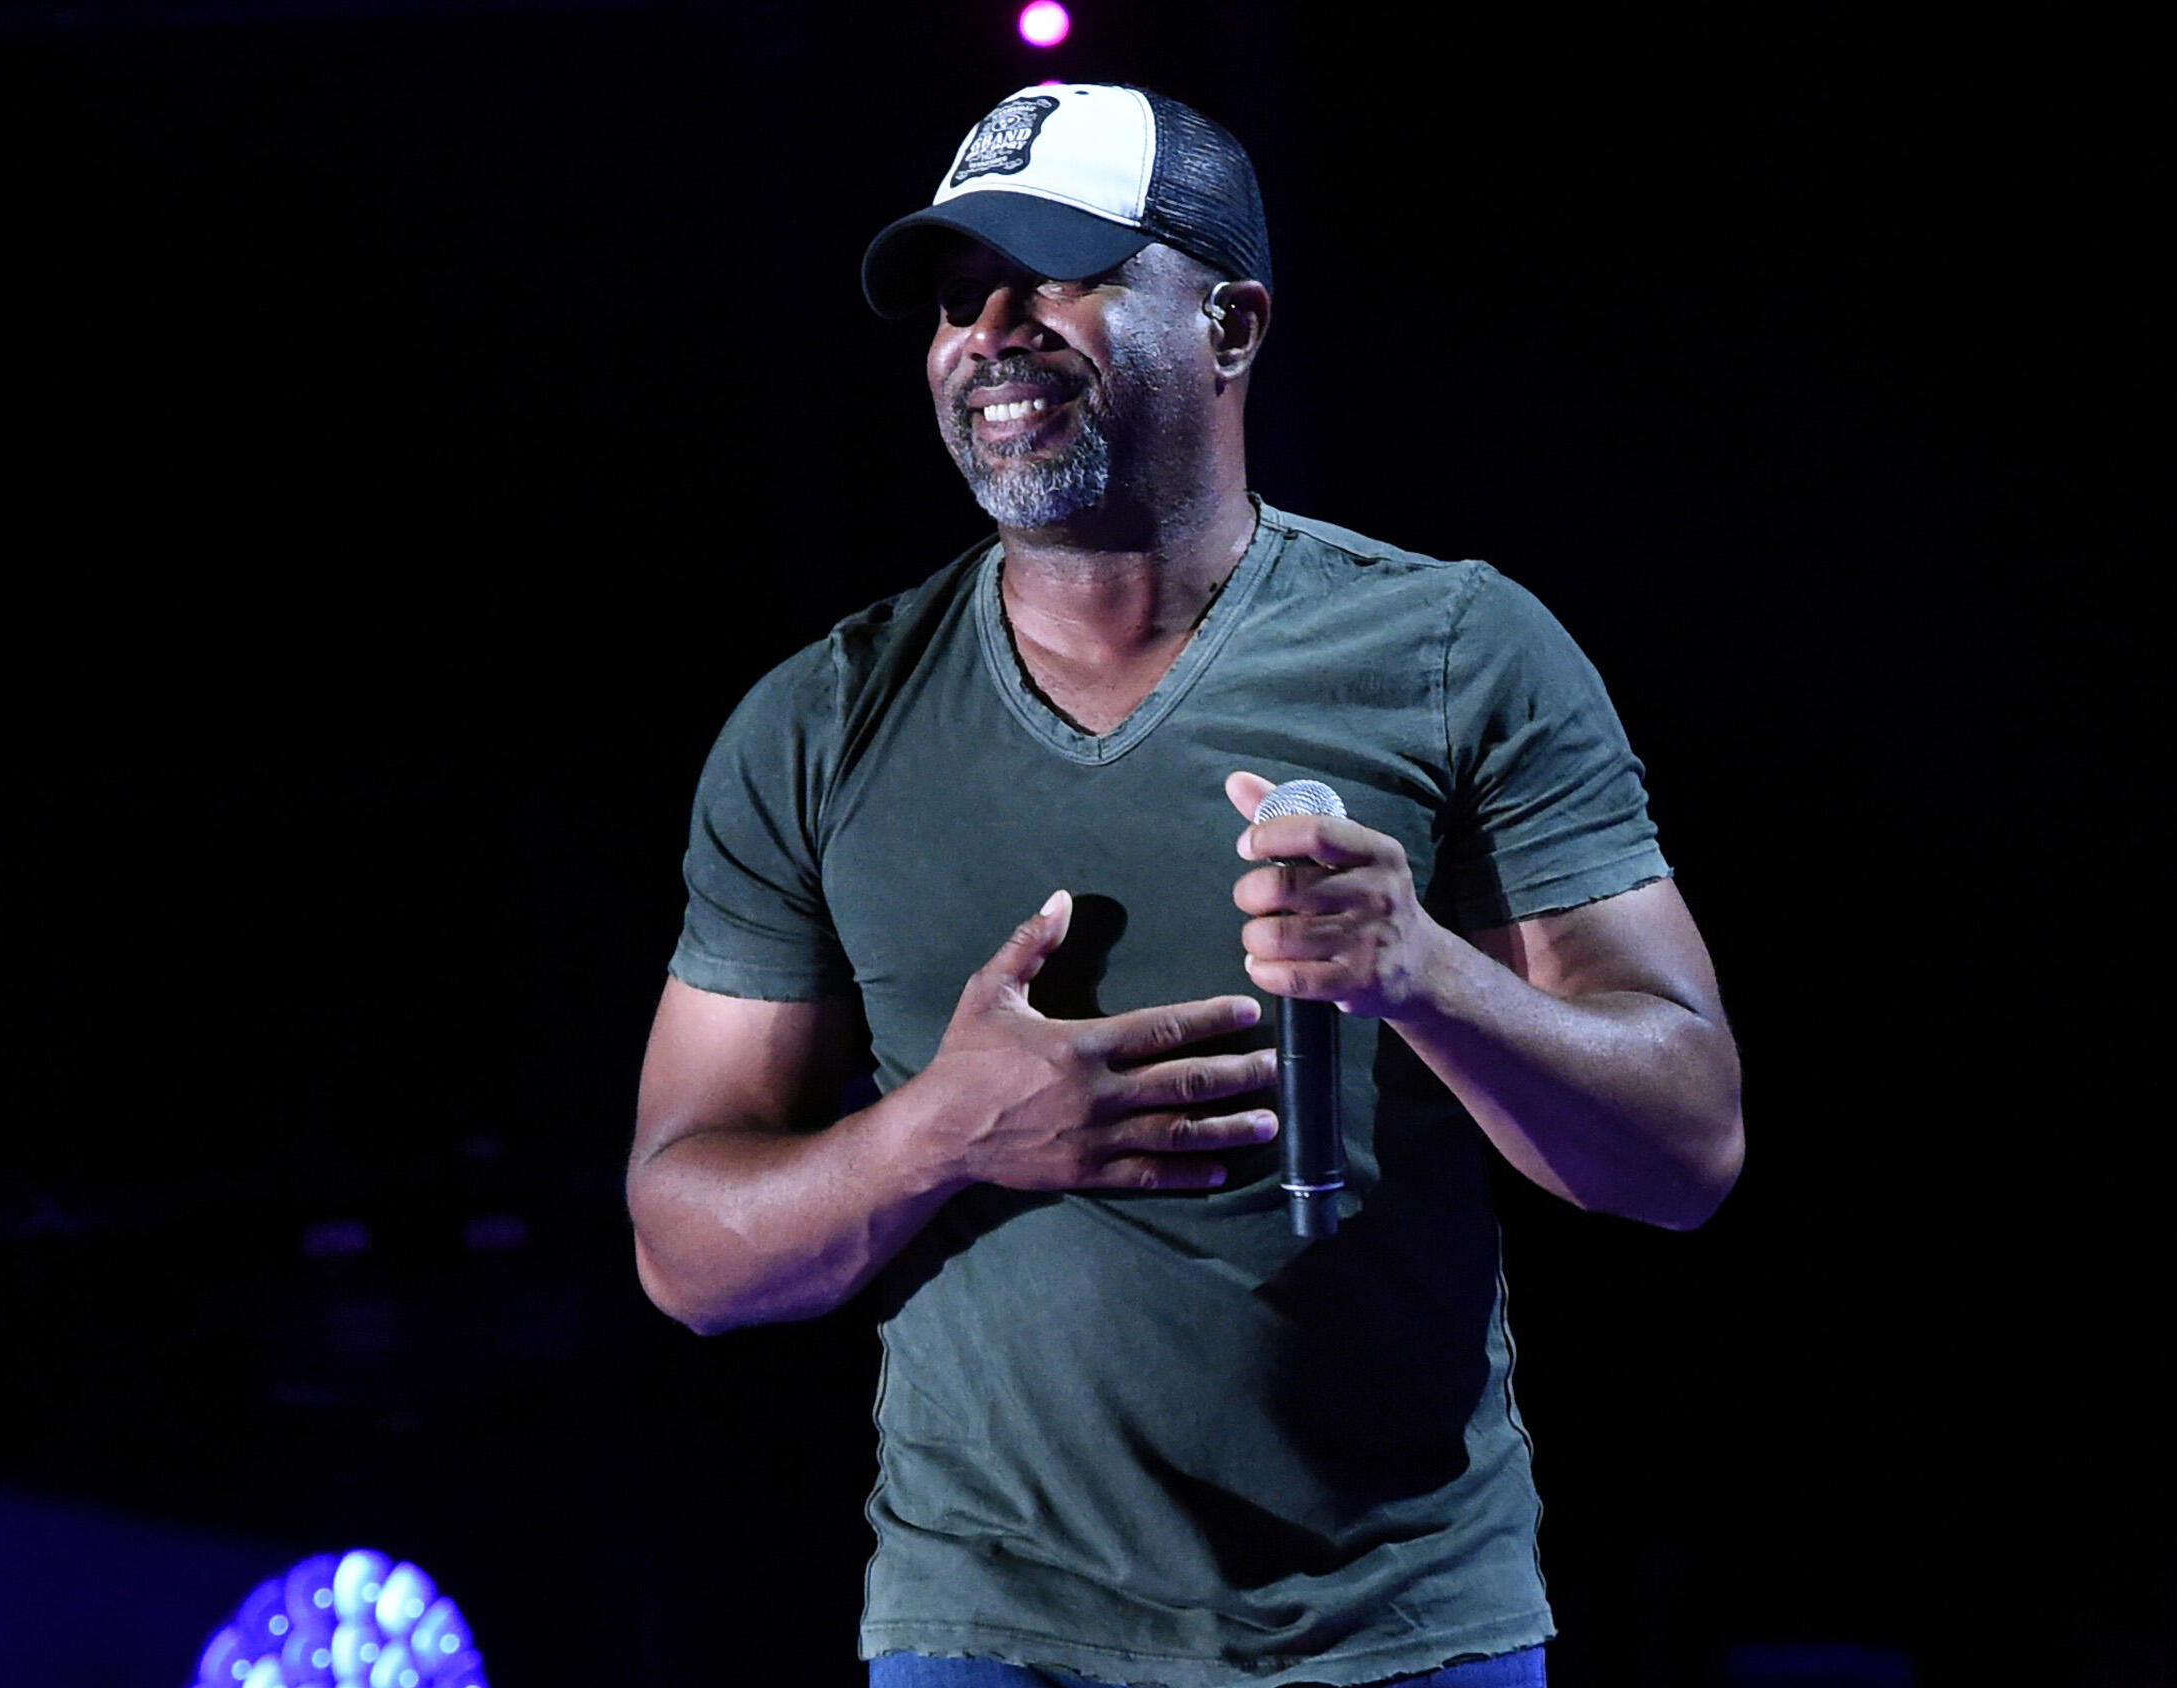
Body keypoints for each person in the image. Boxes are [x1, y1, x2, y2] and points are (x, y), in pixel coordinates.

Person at [627, 84, 1743, 1688]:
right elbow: (685, 1249)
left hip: (1403, 1632)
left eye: (1055, 274)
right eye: (956, 297)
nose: (990, 334)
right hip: (992, 1636)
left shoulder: (1454, 653)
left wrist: (1424, 973)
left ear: (1230, 321)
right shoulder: (820, 722)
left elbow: (1687, 1145)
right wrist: (946, 1129)